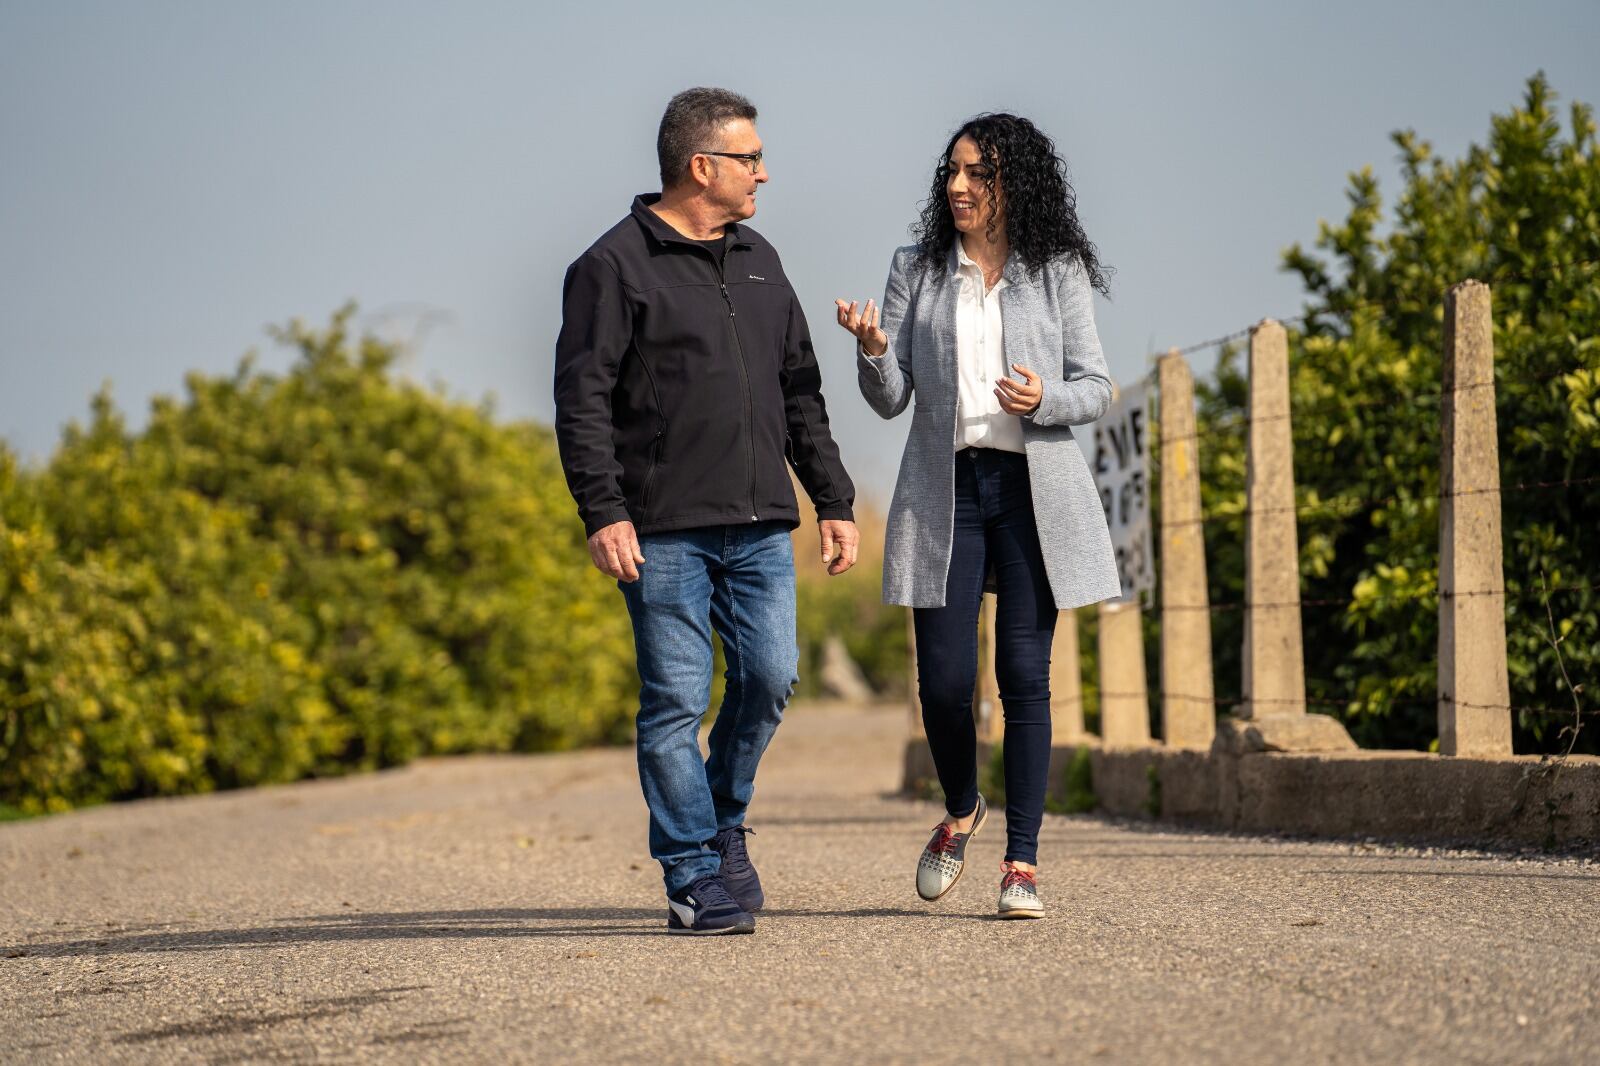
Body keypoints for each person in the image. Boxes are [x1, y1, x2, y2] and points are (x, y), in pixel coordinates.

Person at [555, 88, 858, 936]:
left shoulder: (761, 257)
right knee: (676, 702)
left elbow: (801, 389)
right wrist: (602, 511)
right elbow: (580, 403)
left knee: (769, 680)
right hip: (661, 529)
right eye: (750, 158)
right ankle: (691, 871)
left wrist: (831, 497)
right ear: (702, 167)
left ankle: (722, 821)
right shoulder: (611, 267)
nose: (764, 171)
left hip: (761, 522)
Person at [835, 113, 1119, 919]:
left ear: (1012, 184)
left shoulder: (1054, 270)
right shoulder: (916, 269)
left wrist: (1045, 398)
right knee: (948, 681)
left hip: (1034, 487)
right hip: (944, 488)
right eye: (952, 172)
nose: (958, 187)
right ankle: (962, 808)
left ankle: (1022, 862)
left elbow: (1095, 387)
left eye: (977, 175)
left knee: (1025, 678)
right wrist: (870, 349)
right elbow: (891, 400)